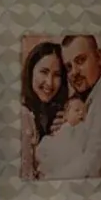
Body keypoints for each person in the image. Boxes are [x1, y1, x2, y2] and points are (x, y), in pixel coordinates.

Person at [36, 33, 101, 178]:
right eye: (69, 67)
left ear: (99, 57)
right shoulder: (87, 96)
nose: (74, 72)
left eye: (81, 60)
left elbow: (94, 164)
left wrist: (48, 180)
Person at [19, 40, 67, 179]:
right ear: (31, 72)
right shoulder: (24, 116)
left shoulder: (58, 115)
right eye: (44, 72)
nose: (50, 82)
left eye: (57, 75)